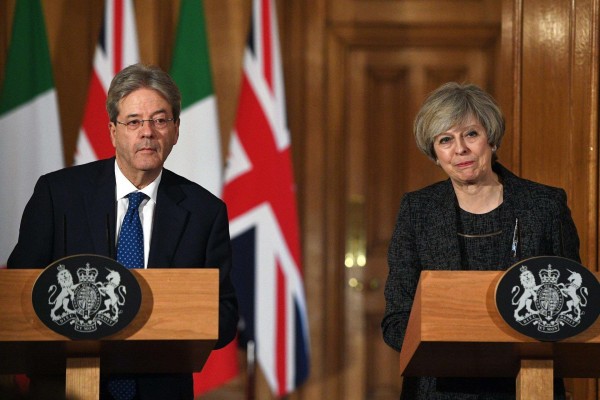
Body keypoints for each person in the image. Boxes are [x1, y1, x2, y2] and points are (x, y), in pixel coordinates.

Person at [8, 63, 238, 400]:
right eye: (133, 122)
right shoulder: (59, 195)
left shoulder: (205, 212)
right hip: (66, 387)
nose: (147, 132)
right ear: (114, 131)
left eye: (160, 120)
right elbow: (19, 291)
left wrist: (176, 320)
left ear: (175, 130)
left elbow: (226, 314)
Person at [381, 82, 580, 399]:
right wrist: (450, 346)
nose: (460, 149)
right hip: (439, 387)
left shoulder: (545, 206)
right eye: (445, 140)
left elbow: (573, 304)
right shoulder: (417, 211)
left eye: (470, 134)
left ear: (491, 137)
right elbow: (396, 319)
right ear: (435, 152)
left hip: (527, 384)